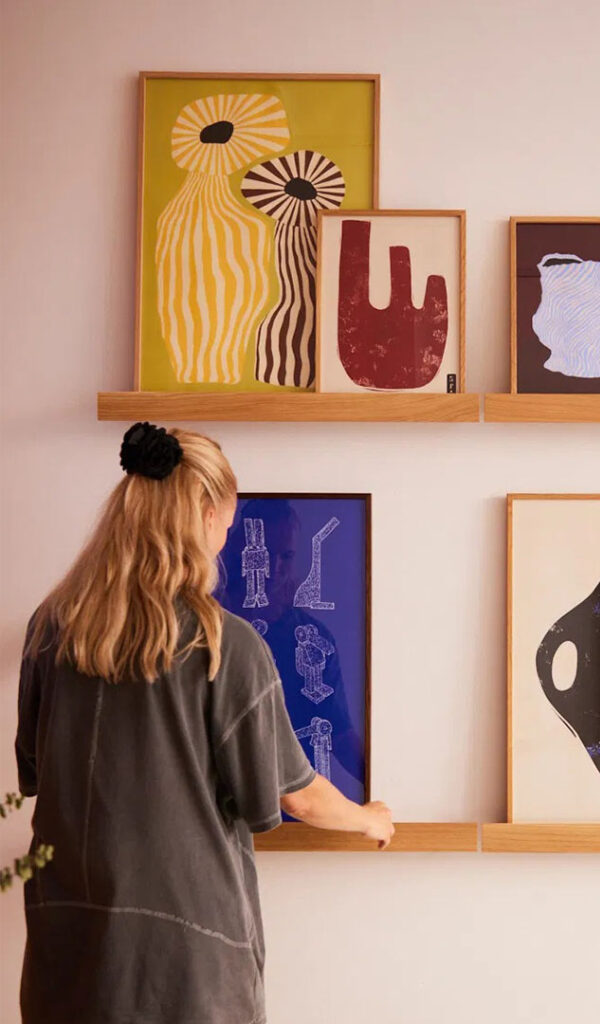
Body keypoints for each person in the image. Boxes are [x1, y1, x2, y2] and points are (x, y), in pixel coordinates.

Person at [15, 422, 394, 1024]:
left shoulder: (51, 629)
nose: (224, 541)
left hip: (71, 955)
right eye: (226, 525)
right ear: (206, 516)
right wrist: (369, 818)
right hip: (189, 963)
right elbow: (295, 794)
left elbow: (37, 769)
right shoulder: (224, 646)